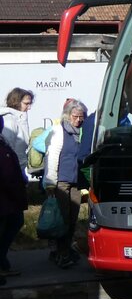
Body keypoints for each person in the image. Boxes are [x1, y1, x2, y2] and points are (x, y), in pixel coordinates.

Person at [43, 101, 88, 268]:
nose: (77, 120)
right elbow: (52, 157)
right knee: (61, 219)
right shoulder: (59, 131)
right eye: (75, 117)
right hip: (61, 182)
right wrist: (50, 183)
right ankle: (60, 253)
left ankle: (65, 250)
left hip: (76, 182)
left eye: (81, 117)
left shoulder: (83, 132)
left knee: (72, 219)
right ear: (68, 116)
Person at [0, 137, 27, 284]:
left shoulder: (4, 144)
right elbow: (7, 176)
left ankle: (3, 263)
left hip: (9, 198)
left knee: (15, 223)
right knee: (11, 225)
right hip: (7, 197)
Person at [1, 88, 33, 167]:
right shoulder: (9, 120)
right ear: (15, 102)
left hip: (18, 167)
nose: (29, 108)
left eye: (30, 104)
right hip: (11, 168)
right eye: (26, 104)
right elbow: (7, 150)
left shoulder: (20, 118)